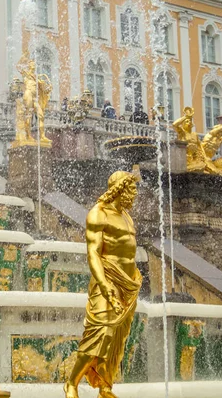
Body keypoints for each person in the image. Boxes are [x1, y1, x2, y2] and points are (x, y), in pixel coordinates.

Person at [64, 170, 143, 398]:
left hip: (128, 283)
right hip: (106, 280)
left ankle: (106, 386)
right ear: (120, 189)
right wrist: (105, 285)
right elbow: (93, 254)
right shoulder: (98, 214)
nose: (135, 194)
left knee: (118, 338)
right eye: (132, 189)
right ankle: (72, 383)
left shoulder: (126, 215)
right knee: (101, 333)